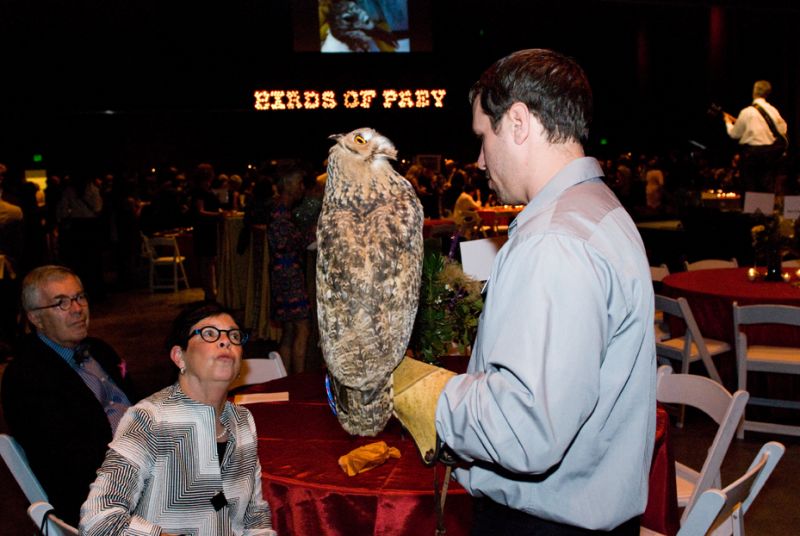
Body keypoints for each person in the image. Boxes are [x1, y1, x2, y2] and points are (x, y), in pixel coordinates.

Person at [433, 49, 656, 534]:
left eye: (482, 137)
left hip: (543, 522)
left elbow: (526, 429)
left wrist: (428, 394)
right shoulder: (599, 210)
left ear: (517, 123)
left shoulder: (555, 240)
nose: (478, 159)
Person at [80, 301, 277, 535]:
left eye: (234, 336)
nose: (226, 341)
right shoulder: (149, 420)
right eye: (209, 334)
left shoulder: (242, 421)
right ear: (179, 356)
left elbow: (253, 517)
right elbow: (98, 520)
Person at [1, 265, 136, 525]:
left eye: (80, 297)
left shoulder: (99, 350)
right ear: (35, 318)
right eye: (61, 303)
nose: (77, 309)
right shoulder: (27, 377)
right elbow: (69, 464)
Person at [268, 165, 312, 374]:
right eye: (299, 183)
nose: (302, 188)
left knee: (289, 329)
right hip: (289, 274)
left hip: (281, 273)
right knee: (302, 328)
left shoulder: (280, 210)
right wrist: (310, 235)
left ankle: (284, 380)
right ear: (289, 185)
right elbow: (285, 243)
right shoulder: (281, 212)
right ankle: (298, 381)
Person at [724, 80, 788, 193]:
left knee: (751, 187)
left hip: (752, 155)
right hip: (769, 154)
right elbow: (783, 129)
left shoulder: (747, 112)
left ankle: (752, 210)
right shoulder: (773, 111)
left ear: (754, 91)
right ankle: (764, 210)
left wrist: (728, 122)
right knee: (765, 187)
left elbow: (734, 134)